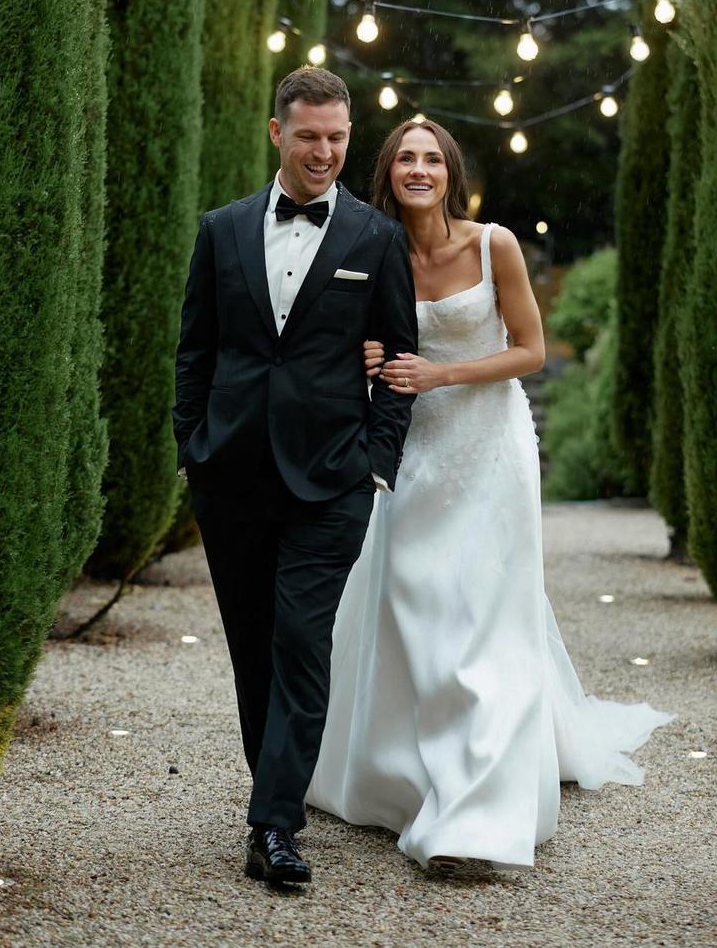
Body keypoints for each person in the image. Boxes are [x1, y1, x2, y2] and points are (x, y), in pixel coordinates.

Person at [306, 119, 673, 869]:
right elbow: (358, 349)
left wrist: (440, 372)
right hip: (412, 448)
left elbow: (531, 350)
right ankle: (404, 772)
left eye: (431, 158)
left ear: (450, 171)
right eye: (405, 157)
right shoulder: (373, 251)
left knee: (482, 616)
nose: (418, 168)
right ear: (389, 172)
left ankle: (476, 808)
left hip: (488, 448)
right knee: (413, 598)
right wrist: (371, 357)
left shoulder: (492, 243)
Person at [172, 68, 418, 885]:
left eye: (338, 138)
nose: (325, 152)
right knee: (253, 648)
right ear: (278, 132)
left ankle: (274, 826)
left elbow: (400, 358)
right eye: (310, 136)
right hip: (231, 472)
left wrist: (376, 462)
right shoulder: (223, 228)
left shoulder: (375, 239)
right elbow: (196, 350)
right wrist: (191, 446)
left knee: (302, 641)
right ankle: (275, 784)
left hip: (331, 479)